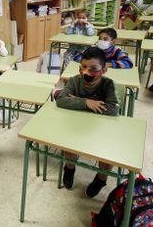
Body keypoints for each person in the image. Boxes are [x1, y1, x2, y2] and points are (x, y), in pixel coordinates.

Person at [56, 47, 119, 198]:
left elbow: (113, 109)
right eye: (84, 67)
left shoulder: (108, 84)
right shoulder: (74, 80)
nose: (86, 72)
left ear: (104, 70)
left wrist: (75, 101)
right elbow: (61, 100)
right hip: (77, 126)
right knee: (69, 141)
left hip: (101, 128)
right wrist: (87, 103)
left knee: (108, 148)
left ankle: (101, 178)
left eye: (93, 69)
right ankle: (69, 168)